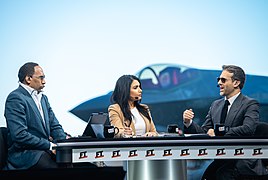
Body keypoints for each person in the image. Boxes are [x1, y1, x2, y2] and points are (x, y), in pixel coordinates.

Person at [183, 65, 268, 179]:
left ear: (236, 83)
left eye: (223, 80)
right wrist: (188, 122)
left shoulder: (250, 104)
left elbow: (248, 129)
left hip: (241, 164)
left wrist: (219, 132)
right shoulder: (215, 105)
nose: (219, 83)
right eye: (218, 79)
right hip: (222, 161)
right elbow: (205, 131)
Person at [4, 62, 70, 170]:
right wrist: (49, 145)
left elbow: (55, 126)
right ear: (28, 79)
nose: (44, 81)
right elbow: (20, 135)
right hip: (26, 155)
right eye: (41, 78)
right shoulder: (15, 98)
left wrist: (65, 143)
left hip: (43, 150)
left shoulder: (43, 98)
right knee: (56, 167)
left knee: (71, 163)